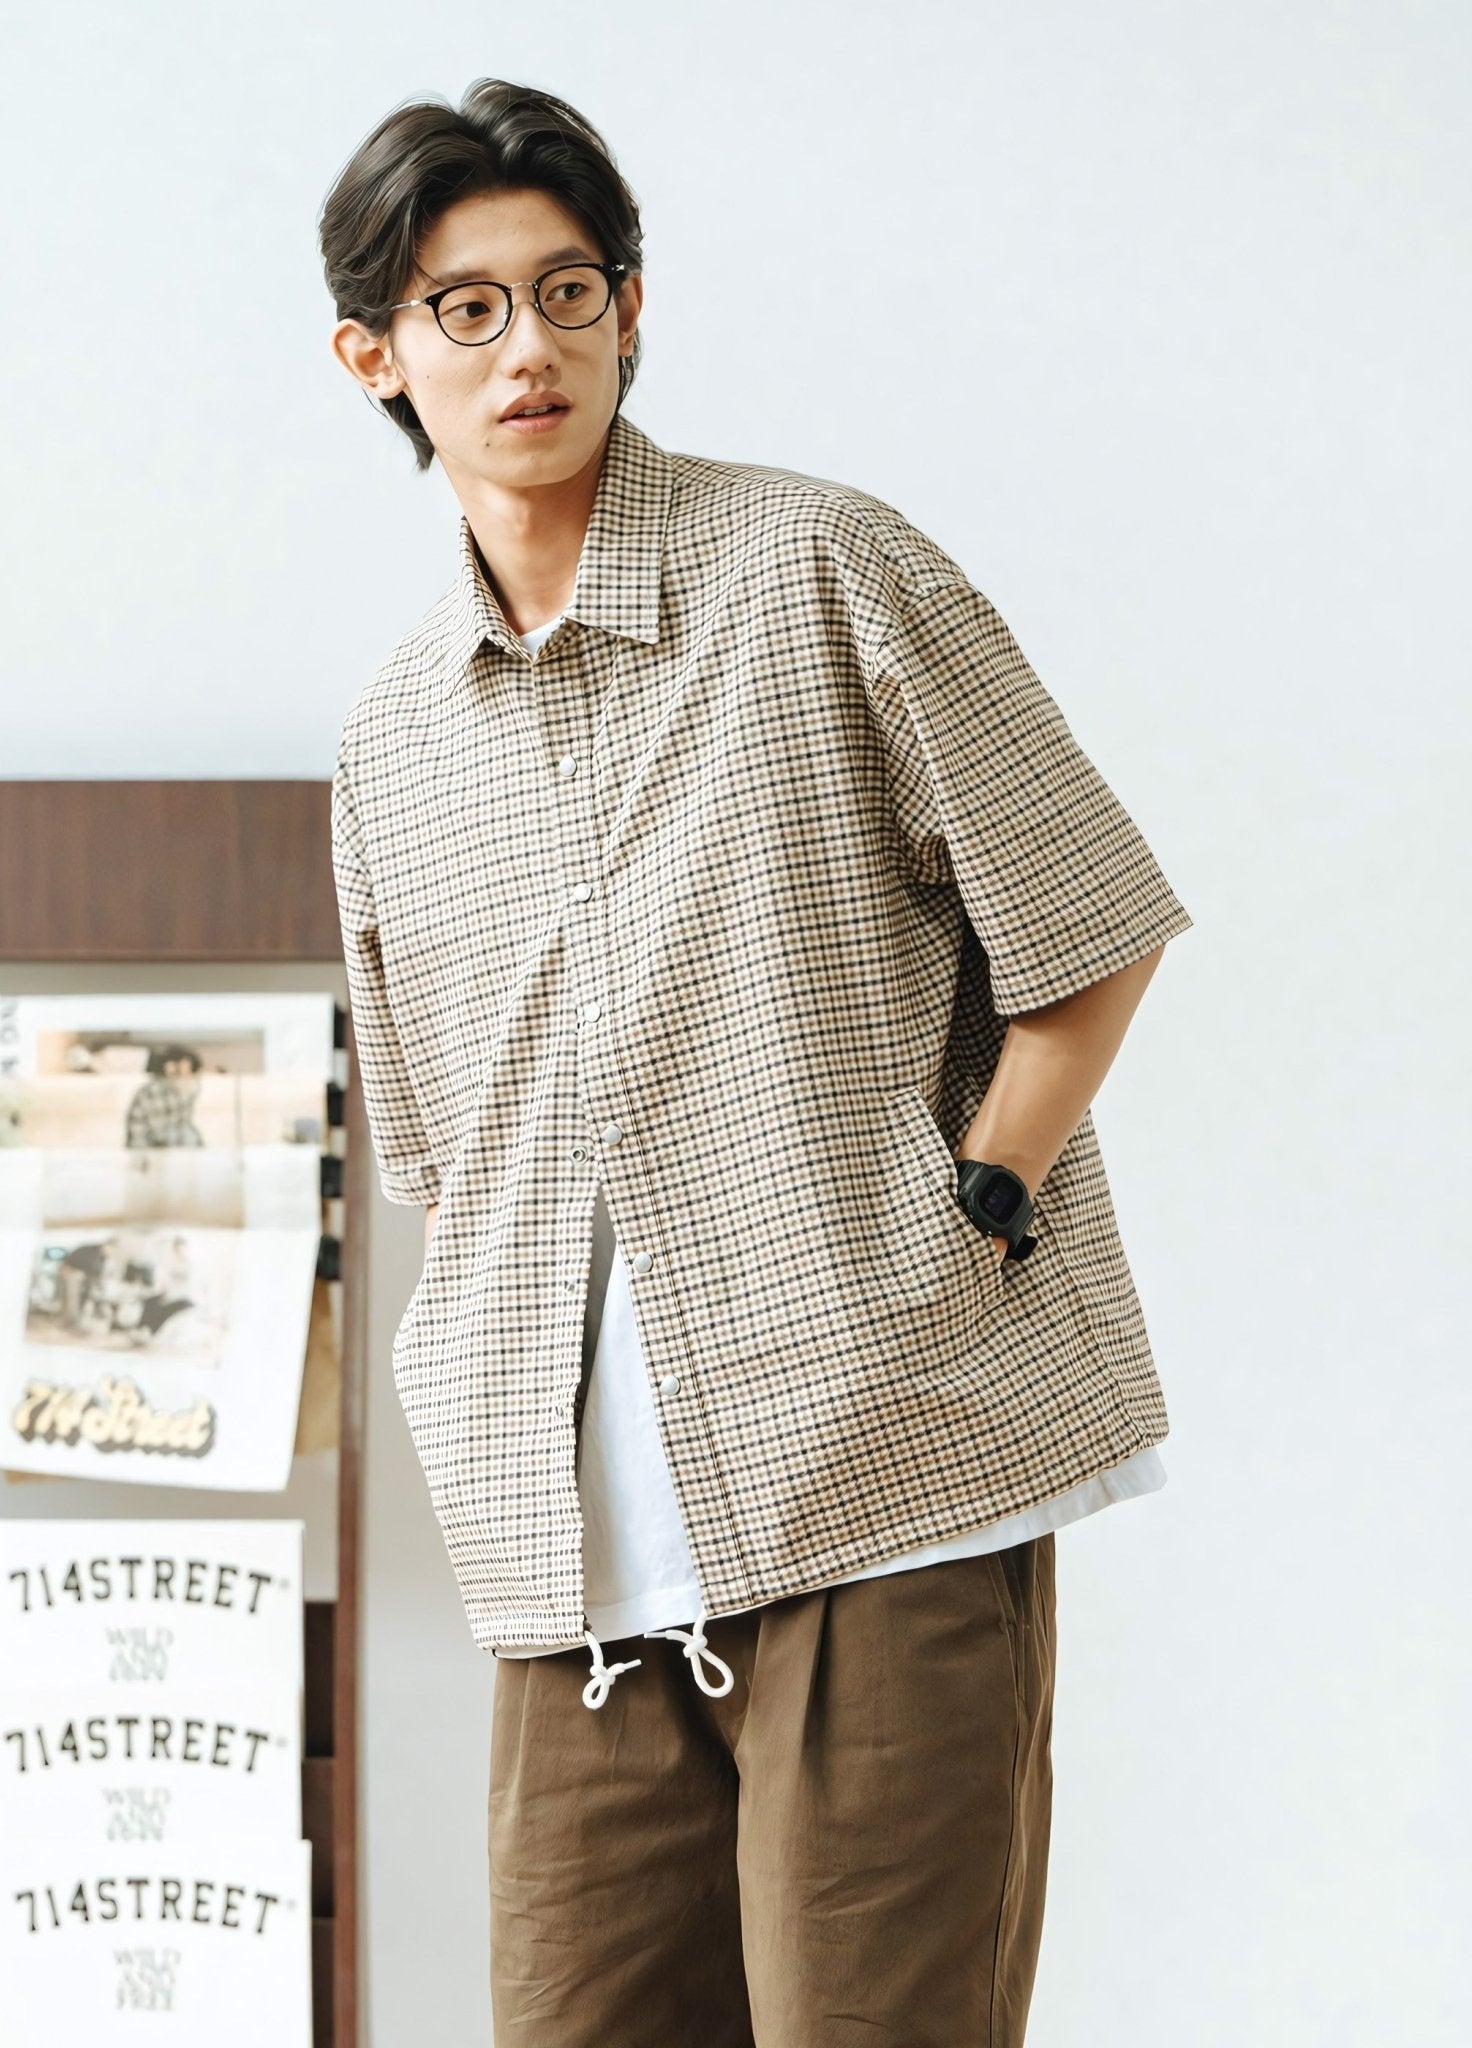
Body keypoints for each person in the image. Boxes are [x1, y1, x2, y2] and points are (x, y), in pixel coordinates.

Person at [324, 79, 1195, 2048]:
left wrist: (974, 1206)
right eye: (468, 306)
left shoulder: (820, 570)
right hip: (570, 1574)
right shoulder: (392, 741)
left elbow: (1089, 922)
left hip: (884, 1492)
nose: (529, 347)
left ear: (632, 310)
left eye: (569, 290)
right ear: (375, 354)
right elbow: (440, 1149)